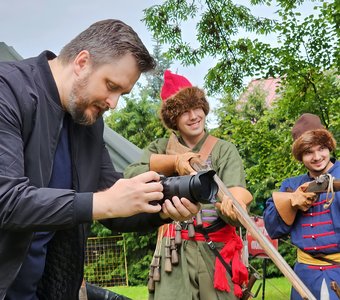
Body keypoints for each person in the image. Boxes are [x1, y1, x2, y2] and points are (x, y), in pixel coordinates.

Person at [0, 20, 200, 300]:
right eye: (111, 86)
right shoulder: (6, 90)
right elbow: (6, 200)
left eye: (122, 94)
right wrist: (103, 202)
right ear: (82, 62)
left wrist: (166, 205)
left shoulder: (88, 123)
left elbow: (111, 197)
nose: (114, 103)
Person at [124, 70, 253, 300]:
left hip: (215, 248)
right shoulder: (160, 147)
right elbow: (132, 174)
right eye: (184, 112)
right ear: (173, 119)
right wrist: (174, 161)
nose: (193, 116)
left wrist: (236, 205)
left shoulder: (224, 150)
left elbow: (235, 192)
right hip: (172, 250)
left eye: (197, 108)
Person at [263, 113, 339, 299]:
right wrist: (292, 202)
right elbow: (272, 229)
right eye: (308, 152)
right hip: (304, 275)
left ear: (329, 146)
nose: (317, 157)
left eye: (321, 148)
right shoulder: (291, 185)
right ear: (300, 156)